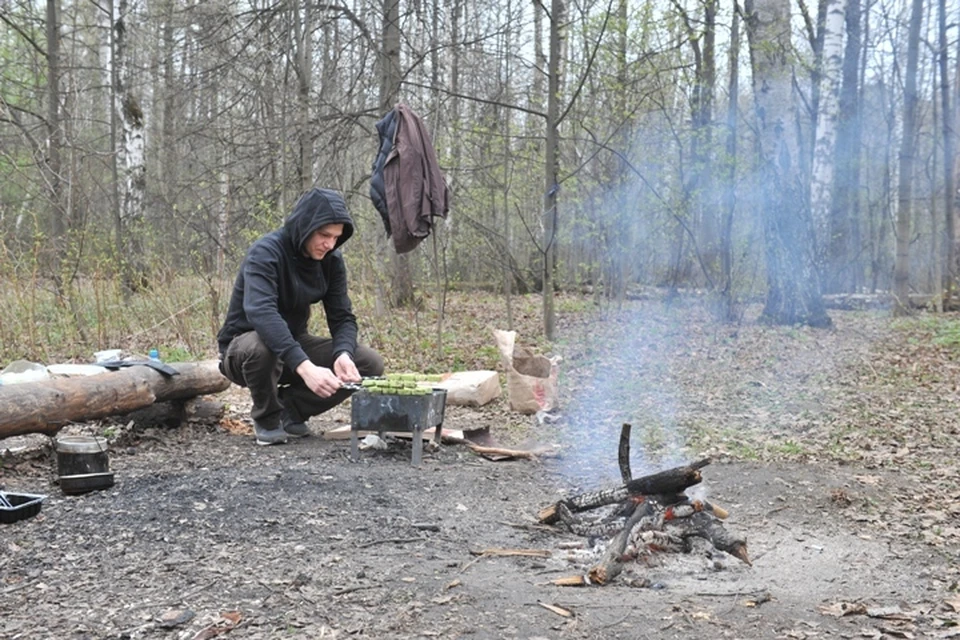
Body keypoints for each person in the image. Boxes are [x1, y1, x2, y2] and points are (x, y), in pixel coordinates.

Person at [217, 188, 384, 445]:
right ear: (305, 226)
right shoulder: (266, 252)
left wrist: (343, 353)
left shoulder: (332, 260)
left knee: (368, 364)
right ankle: (267, 417)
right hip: (244, 351)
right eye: (324, 235)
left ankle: (290, 411)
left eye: (336, 237)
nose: (330, 244)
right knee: (263, 346)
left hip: (293, 345)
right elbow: (262, 314)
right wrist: (305, 367)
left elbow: (342, 317)